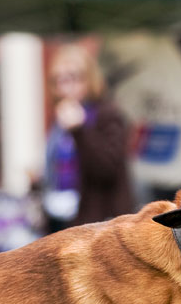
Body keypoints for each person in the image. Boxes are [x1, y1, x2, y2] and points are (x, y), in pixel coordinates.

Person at [43, 45, 134, 231]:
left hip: (100, 224)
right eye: (57, 80)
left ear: (89, 78)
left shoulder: (107, 114)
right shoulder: (60, 120)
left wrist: (80, 130)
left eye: (72, 77)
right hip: (63, 216)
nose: (64, 87)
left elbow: (106, 169)